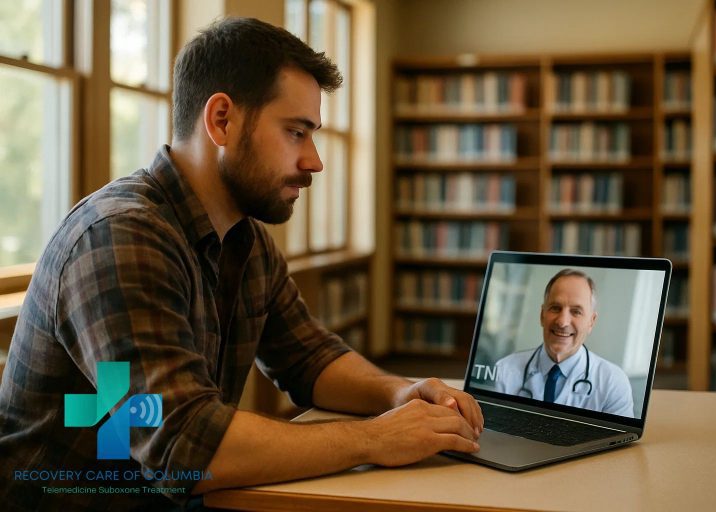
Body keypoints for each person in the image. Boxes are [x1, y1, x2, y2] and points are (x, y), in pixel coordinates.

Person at [0, 17, 482, 510]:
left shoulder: (244, 238)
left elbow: (309, 359)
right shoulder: (120, 236)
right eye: (296, 132)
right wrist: (375, 439)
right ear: (222, 120)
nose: (315, 160)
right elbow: (184, 444)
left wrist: (399, 393)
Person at [493, 269, 634, 417]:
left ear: (591, 322)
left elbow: (621, 440)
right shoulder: (503, 370)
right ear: (542, 315)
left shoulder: (613, 382)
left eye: (576, 311)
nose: (562, 322)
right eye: (555, 308)